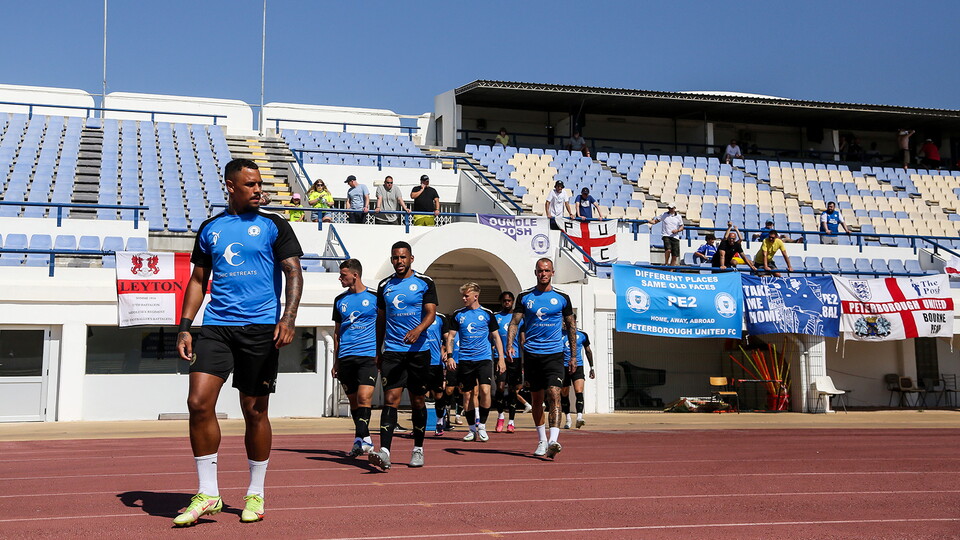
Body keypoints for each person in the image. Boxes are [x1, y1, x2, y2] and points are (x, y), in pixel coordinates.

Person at [173, 158, 303, 527]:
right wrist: (185, 326)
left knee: (254, 410)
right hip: (216, 327)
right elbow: (199, 279)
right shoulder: (211, 228)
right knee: (197, 403)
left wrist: (288, 317)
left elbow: (293, 272)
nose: (259, 189)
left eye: (260, 183)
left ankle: (256, 493)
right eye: (251, 185)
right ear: (231, 186)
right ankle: (208, 493)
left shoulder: (273, 225)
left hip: (260, 329)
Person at [368, 241, 437, 471]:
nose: (399, 261)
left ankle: (418, 449)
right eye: (396, 258)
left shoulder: (425, 282)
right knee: (390, 401)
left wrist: (418, 330)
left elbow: (431, 313)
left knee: (417, 400)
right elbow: (380, 320)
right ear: (391, 260)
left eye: (403, 257)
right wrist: (379, 350)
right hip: (393, 353)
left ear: (411, 259)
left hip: (419, 352)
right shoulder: (384, 285)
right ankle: (385, 451)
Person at [507, 258, 577, 459]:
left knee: (554, 394)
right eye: (540, 271)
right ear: (535, 273)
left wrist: (573, 356)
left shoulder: (562, 297)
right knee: (536, 400)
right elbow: (514, 323)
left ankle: (554, 441)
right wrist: (510, 345)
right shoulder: (524, 297)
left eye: (546, 271)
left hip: (554, 354)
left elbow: (571, 327)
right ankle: (542, 440)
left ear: (552, 272)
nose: (543, 274)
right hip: (531, 354)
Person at [331, 259, 378, 458]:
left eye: (343, 275)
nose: (340, 278)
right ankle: (363, 439)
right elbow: (336, 333)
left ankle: (361, 440)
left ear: (355, 275)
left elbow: (385, 324)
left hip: (368, 356)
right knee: (354, 403)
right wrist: (336, 361)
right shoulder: (339, 300)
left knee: (364, 397)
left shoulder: (376, 297)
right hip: (346, 357)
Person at [447, 283, 505, 443]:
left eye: (466, 295)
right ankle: (472, 429)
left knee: (485, 391)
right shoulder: (458, 315)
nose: (463, 298)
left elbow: (496, 337)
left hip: (484, 359)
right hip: (465, 360)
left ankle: (483, 426)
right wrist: (450, 356)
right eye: (463, 296)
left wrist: (501, 358)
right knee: (467, 394)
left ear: (475, 296)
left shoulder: (487, 314)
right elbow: (451, 337)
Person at [493, 291, 531, 433]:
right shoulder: (496, 317)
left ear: (513, 301)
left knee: (514, 389)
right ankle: (501, 416)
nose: (507, 303)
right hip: (500, 357)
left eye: (509, 300)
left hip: (515, 358)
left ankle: (511, 421)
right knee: (501, 387)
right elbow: (492, 336)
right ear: (501, 302)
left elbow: (523, 338)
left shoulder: (520, 318)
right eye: (504, 301)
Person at [561, 315, 595, 429]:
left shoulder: (582, 335)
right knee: (564, 393)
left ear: (574, 321)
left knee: (579, 391)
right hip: (563, 367)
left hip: (578, 366)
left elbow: (588, 351)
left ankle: (579, 417)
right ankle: (568, 419)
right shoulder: (558, 334)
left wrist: (592, 367)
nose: (566, 323)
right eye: (564, 321)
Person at [426, 313, 451, 436]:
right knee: (418, 395)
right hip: (420, 362)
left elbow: (448, 338)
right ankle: (417, 426)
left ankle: (440, 422)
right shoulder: (415, 315)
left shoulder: (440, 318)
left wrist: (448, 352)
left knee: (439, 394)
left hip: (436, 362)